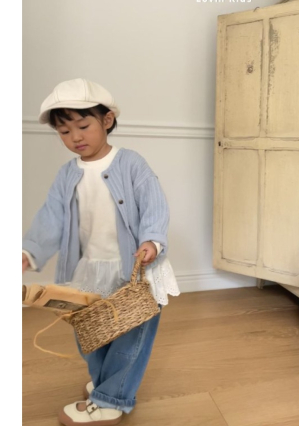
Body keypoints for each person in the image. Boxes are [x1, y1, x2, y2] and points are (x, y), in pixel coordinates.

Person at [22, 78, 180, 425]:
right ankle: (105, 381)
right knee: (91, 333)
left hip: (134, 271)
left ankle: (111, 399)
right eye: (64, 131)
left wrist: (152, 240)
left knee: (130, 336)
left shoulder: (131, 163)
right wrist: (30, 251)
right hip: (90, 269)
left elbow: (154, 203)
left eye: (83, 126)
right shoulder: (67, 174)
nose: (75, 137)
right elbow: (52, 216)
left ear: (107, 120)